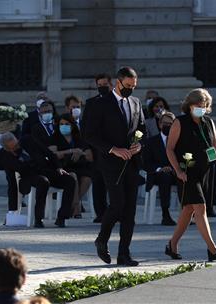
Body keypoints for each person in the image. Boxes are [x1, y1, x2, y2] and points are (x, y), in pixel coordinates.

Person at [85, 66, 146, 267]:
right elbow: (89, 134)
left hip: (132, 162)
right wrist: (113, 149)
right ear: (118, 82)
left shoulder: (136, 103)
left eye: (134, 86)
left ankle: (124, 253)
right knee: (117, 204)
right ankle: (102, 239)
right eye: (128, 85)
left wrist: (139, 144)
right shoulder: (99, 104)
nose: (130, 89)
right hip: (110, 162)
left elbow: (142, 129)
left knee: (130, 210)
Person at [165, 88, 216, 261]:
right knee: (200, 208)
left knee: (188, 210)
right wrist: (177, 171)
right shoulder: (180, 122)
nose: (201, 108)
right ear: (190, 105)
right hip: (187, 172)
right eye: (197, 105)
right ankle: (212, 249)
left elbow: (215, 146)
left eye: (204, 105)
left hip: (206, 171)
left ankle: (172, 245)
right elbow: (170, 148)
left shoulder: (208, 122)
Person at [0, 132, 76, 228]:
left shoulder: (28, 140)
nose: (17, 148)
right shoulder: (6, 158)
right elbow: (12, 183)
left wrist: (59, 167)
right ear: (7, 149)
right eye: (13, 148)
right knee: (43, 182)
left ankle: (62, 217)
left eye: (17, 145)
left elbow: (48, 153)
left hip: (45, 170)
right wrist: (11, 211)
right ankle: (38, 219)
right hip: (29, 176)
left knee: (70, 180)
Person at [82, 73, 113, 223]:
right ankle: (100, 212)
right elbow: (85, 128)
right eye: (99, 85)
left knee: (115, 182)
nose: (102, 87)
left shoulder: (118, 101)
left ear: (112, 84)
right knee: (98, 181)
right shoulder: (91, 103)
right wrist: (87, 148)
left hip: (115, 147)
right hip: (96, 148)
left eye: (105, 85)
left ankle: (116, 211)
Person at [50, 114, 93, 218]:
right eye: (61, 124)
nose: (63, 126)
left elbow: (90, 156)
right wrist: (71, 151)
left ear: (72, 125)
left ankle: (72, 204)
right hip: (63, 168)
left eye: (66, 124)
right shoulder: (54, 137)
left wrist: (80, 152)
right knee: (72, 176)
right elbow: (53, 154)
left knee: (87, 179)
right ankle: (77, 208)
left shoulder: (79, 138)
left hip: (79, 166)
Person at [143, 111, 178, 225]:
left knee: (187, 177)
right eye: (165, 123)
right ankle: (165, 213)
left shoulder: (179, 141)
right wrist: (159, 169)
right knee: (165, 177)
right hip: (157, 175)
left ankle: (187, 213)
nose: (167, 126)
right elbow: (146, 162)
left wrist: (175, 168)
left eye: (170, 123)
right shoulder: (151, 142)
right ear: (160, 124)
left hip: (175, 172)